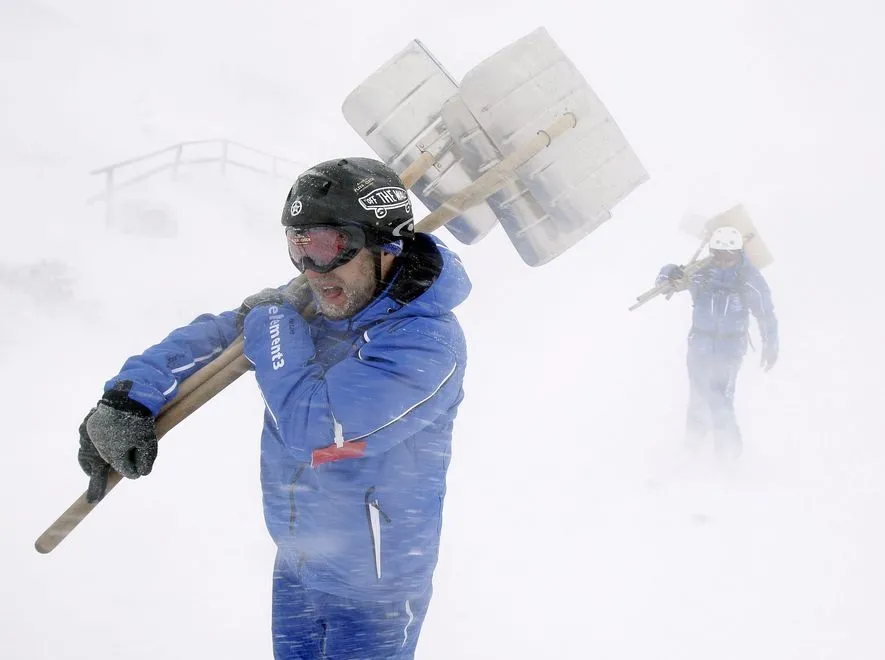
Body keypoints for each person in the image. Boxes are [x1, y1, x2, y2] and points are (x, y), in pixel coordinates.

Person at [76, 157, 471, 659]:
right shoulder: (332, 297)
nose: (311, 270)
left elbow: (317, 428)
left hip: (374, 593)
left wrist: (273, 324)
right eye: (298, 246)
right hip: (298, 564)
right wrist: (128, 396)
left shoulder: (426, 344)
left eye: (327, 247)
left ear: (385, 246)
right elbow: (223, 338)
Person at [656, 225, 778, 460]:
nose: (723, 261)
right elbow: (668, 277)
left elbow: (766, 312)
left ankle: (728, 454)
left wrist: (770, 344)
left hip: (729, 350)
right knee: (698, 395)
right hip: (699, 346)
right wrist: (670, 275)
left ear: (738, 254)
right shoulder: (701, 273)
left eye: (728, 256)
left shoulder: (748, 278)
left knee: (721, 398)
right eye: (718, 255)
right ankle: (692, 446)